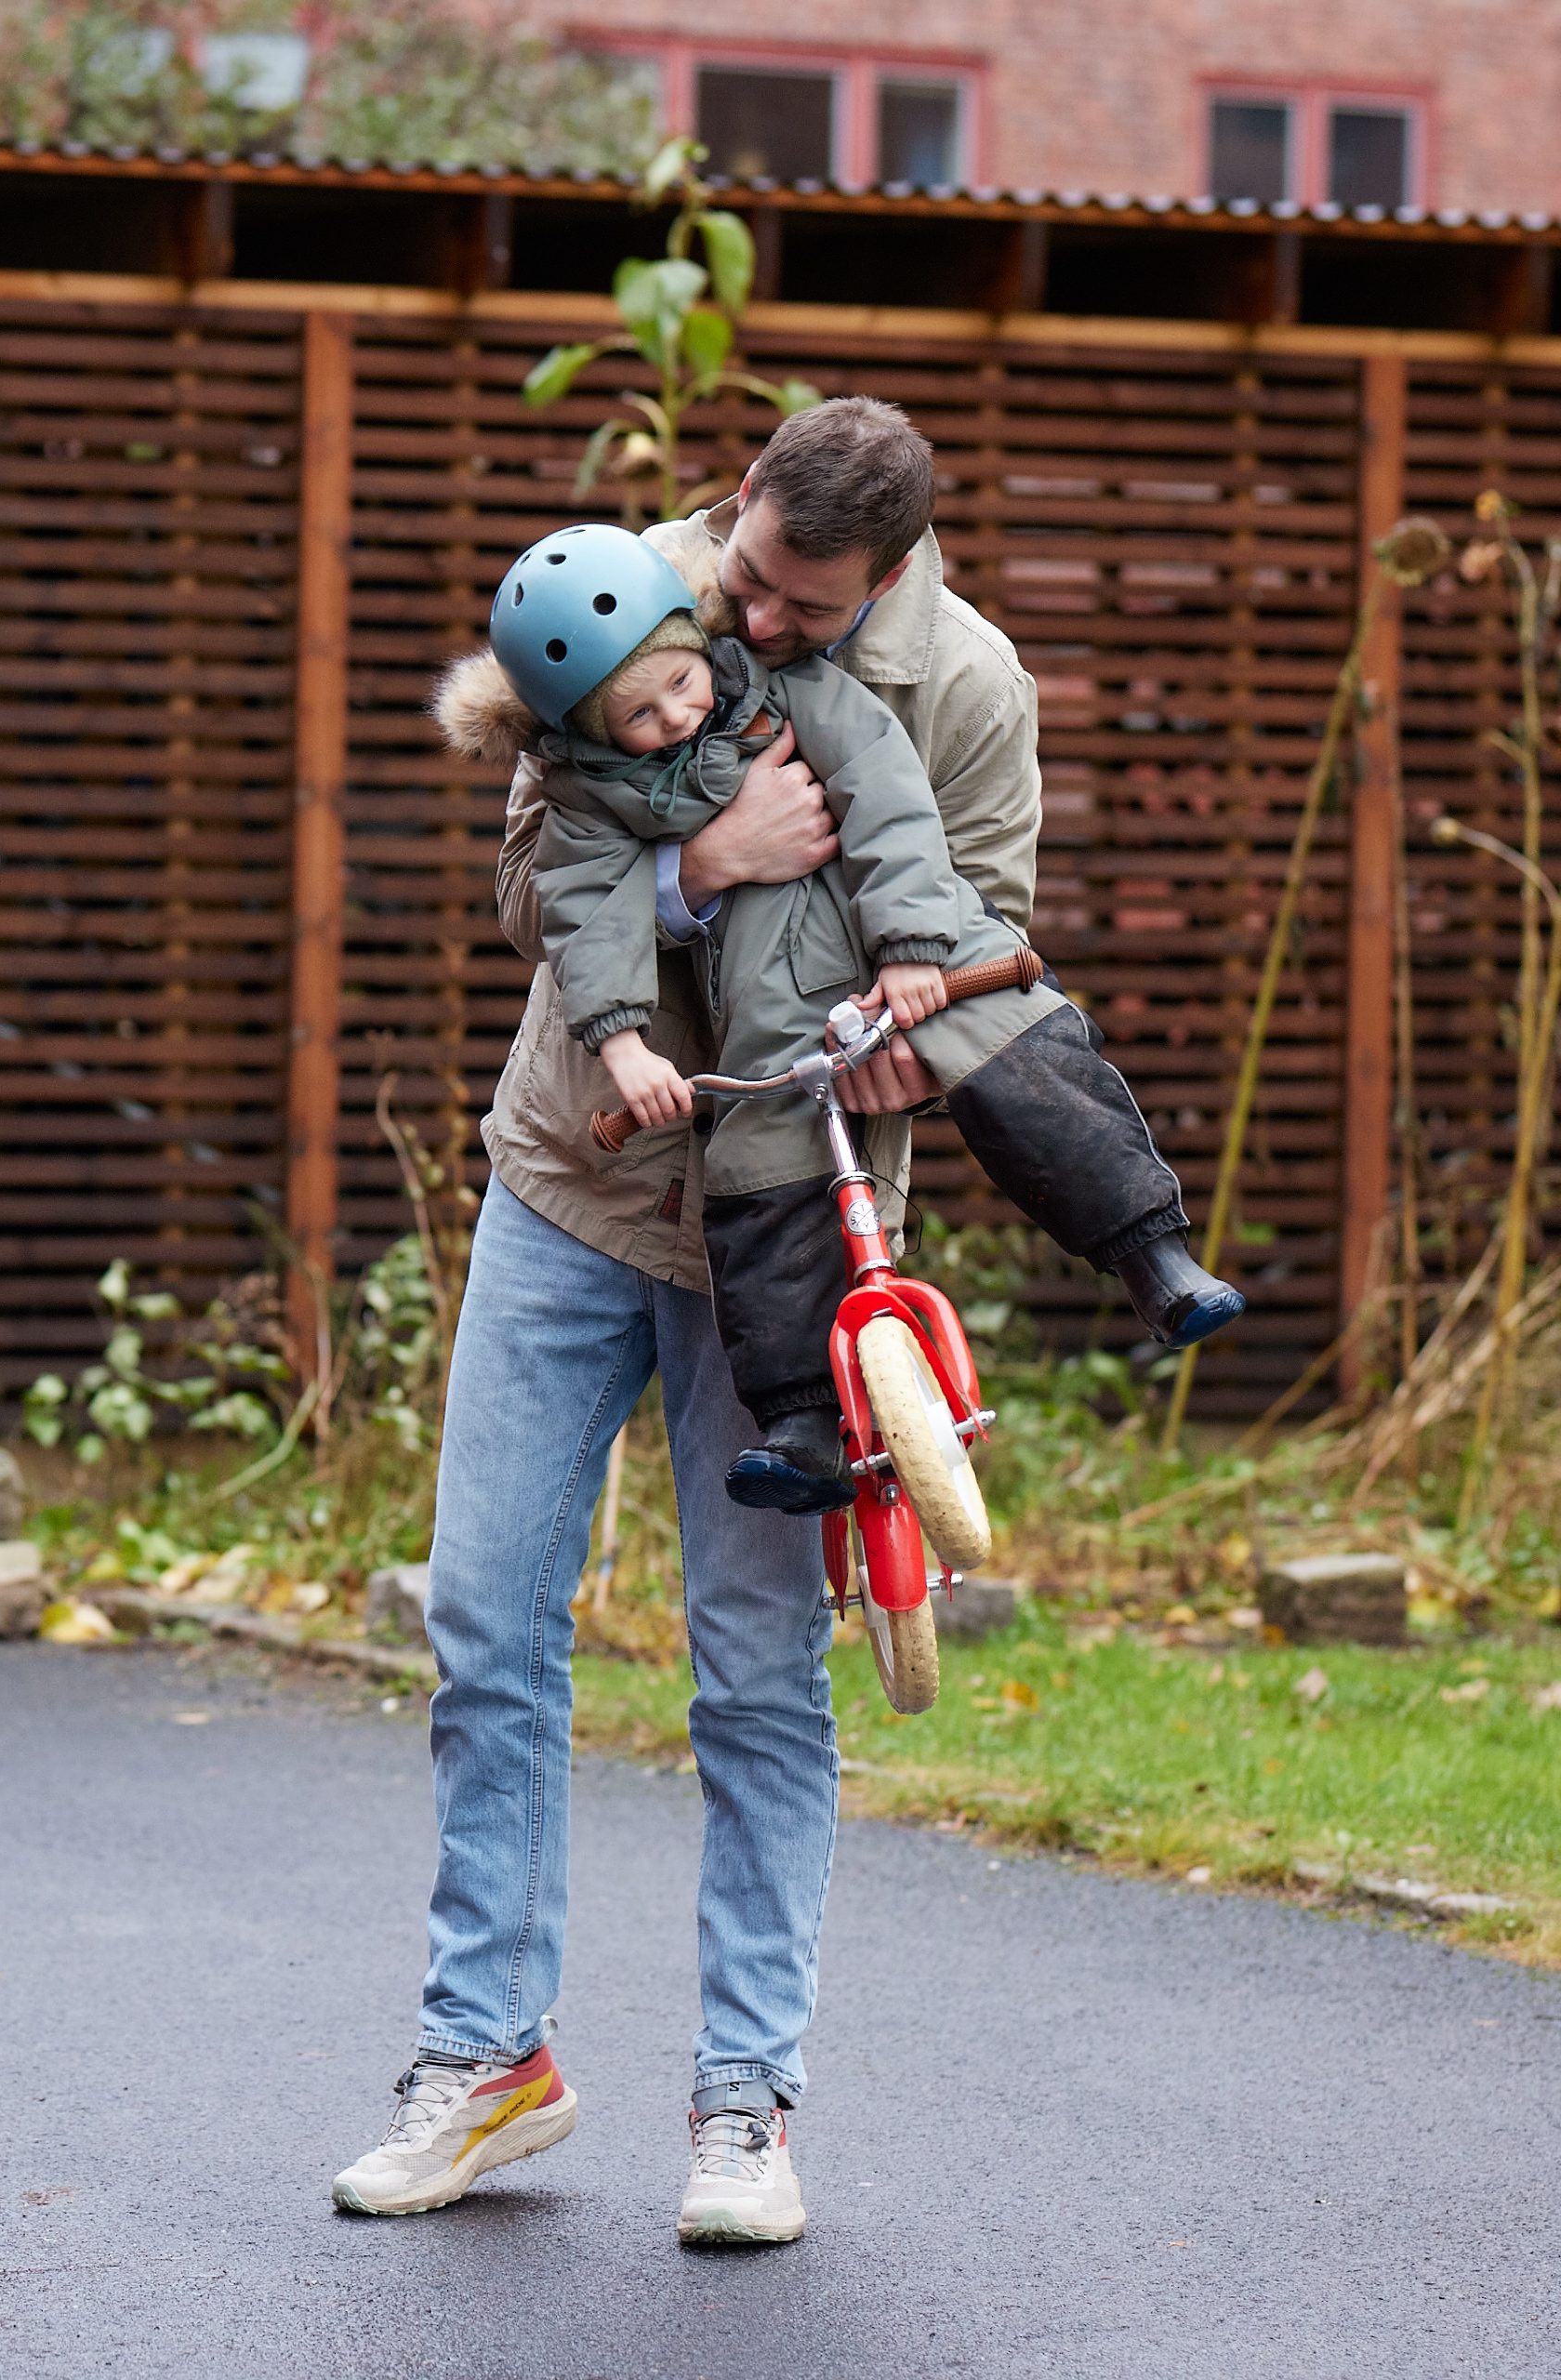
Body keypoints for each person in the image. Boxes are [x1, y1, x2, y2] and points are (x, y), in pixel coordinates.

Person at [328, 398, 1061, 2246]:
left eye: (804, 612)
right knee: (485, 1612)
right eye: (744, 578)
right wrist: (699, 861)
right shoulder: (619, 594)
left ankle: (744, 2107)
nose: (755, 624)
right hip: (568, 1186)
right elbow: (525, 877)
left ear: (880, 578)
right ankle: (483, 2059)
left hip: (788, 1237)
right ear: (731, 507)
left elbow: (994, 953)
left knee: (749, 1671)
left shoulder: (966, 693)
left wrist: (911, 1010)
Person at [428, 522, 1239, 1511]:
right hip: (777, 996)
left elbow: (889, 794)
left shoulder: (784, 684)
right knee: (767, 1184)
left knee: (1023, 1050)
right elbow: (575, 911)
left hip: (920, 937)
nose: (677, 720)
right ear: (587, 731)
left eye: (681, 685)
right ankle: (803, 1423)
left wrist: (908, 952)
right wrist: (626, 1039)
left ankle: (1151, 1253)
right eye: (636, 717)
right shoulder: (590, 788)